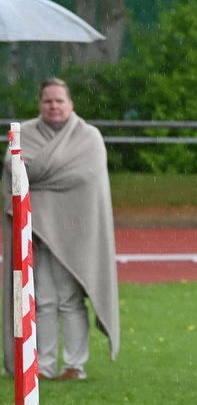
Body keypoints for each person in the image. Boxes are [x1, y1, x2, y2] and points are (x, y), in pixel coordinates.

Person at [2, 78, 119, 380]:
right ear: (39, 104)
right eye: (47, 101)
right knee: (41, 297)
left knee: (69, 297)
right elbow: (13, 171)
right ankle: (43, 366)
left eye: (59, 101)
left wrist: (37, 183)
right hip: (36, 231)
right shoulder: (23, 134)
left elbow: (85, 178)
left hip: (77, 231)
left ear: (71, 104)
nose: (53, 106)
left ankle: (74, 365)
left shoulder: (89, 137)